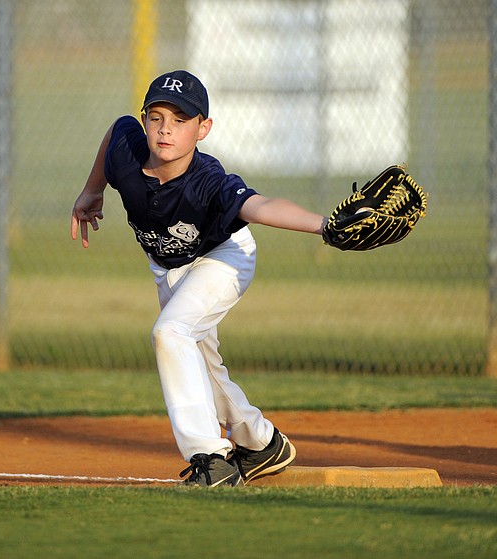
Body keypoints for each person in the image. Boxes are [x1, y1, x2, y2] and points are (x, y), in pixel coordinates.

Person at [71, 70, 327, 487]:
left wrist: (324, 226)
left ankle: (210, 458)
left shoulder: (207, 181)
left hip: (223, 257)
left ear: (202, 128)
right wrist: (92, 190)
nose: (165, 128)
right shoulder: (128, 151)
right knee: (201, 365)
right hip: (169, 268)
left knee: (171, 332)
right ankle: (262, 442)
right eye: (156, 117)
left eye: (180, 119)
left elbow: (261, 206)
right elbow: (116, 131)